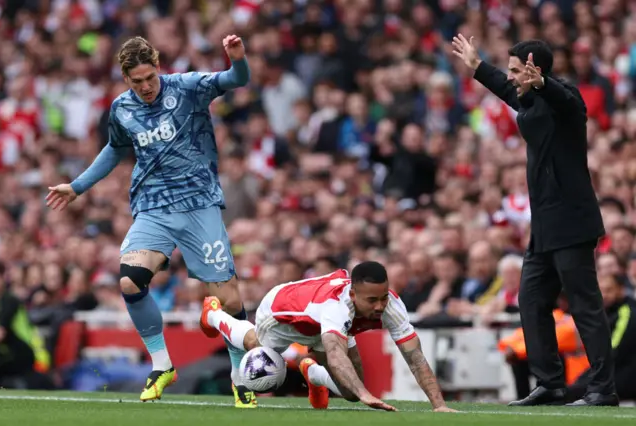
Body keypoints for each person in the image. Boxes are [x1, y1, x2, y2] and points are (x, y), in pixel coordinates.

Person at [45, 35, 256, 406]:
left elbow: (234, 80)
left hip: (198, 203)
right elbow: (115, 149)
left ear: (158, 68)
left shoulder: (187, 87)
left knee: (225, 296)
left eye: (149, 77)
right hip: (153, 206)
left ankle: (242, 377)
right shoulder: (121, 109)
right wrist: (78, 186)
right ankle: (162, 365)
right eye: (136, 80)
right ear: (125, 78)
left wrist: (237, 60)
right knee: (129, 281)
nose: (145, 86)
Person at [452, 34, 617, 406]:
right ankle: (550, 383)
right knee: (530, 299)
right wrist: (478, 65)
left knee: (584, 305)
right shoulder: (527, 98)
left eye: (516, 70)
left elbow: (561, 99)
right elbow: (504, 88)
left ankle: (603, 388)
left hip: (572, 222)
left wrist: (545, 84)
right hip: (544, 225)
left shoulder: (566, 100)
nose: (511, 77)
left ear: (534, 70)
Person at [200, 261, 457, 413]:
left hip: (327, 324)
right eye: (372, 300)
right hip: (285, 314)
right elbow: (335, 354)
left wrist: (439, 405)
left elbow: (414, 356)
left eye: (383, 298)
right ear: (354, 295)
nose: (380, 306)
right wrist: (367, 393)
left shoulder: (392, 305)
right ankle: (214, 316)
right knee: (256, 348)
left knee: (351, 393)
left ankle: (311, 373)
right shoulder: (337, 307)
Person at [568, 274, 636, 401]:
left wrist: (584, 379)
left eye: (609, 290)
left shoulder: (627, 312)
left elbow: (614, 352)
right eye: (601, 290)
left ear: (621, 289)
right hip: (615, 372)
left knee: (573, 391)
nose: (604, 295)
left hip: (626, 376)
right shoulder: (606, 311)